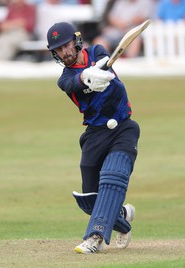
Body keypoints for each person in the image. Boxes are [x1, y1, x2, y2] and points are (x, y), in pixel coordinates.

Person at [46, 22, 140, 254]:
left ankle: (94, 237)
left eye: (67, 45)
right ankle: (121, 217)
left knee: (113, 176)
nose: (65, 52)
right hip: (95, 134)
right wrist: (86, 77)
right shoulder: (64, 80)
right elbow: (73, 83)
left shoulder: (97, 52)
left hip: (123, 127)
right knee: (90, 201)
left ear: (76, 41)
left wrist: (100, 69)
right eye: (59, 49)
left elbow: (105, 59)